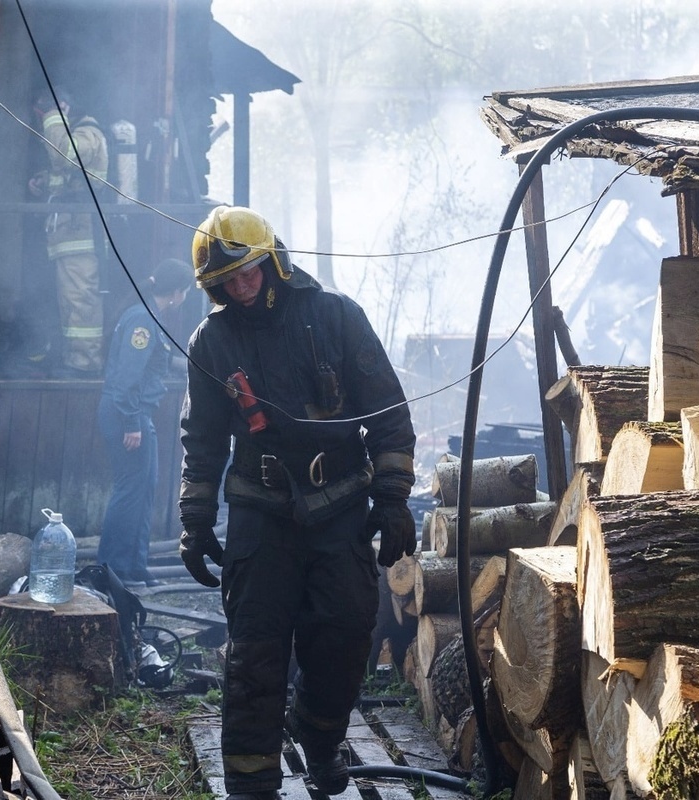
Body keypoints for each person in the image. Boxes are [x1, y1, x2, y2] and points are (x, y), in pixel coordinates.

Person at [177, 207, 418, 799]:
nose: (242, 284)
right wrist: (195, 521)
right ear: (215, 286)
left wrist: (392, 499)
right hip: (261, 513)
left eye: (251, 270)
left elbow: (389, 412)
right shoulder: (212, 340)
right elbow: (202, 441)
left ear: (273, 258)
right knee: (256, 653)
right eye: (228, 280)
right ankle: (250, 786)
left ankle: (317, 736)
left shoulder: (336, 317)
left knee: (344, 634)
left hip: (342, 508)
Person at [96, 259, 192, 587]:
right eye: (185, 292)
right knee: (128, 490)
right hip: (127, 414)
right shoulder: (143, 320)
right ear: (177, 292)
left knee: (143, 490)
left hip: (136, 414)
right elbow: (127, 378)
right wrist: (132, 422)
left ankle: (135, 567)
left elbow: (154, 364)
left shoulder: (149, 316)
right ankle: (110, 569)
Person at [29, 88, 110, 378]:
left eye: (46, 115)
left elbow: (64, 156)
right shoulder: (78, 136)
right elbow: (67, 175)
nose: (44, 122)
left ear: (66, 107)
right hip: (66, 235)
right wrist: (42, 182)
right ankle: (71, 358)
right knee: (68, 301)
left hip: (81, 236)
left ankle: (85, 364)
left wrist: (53, 115)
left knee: (80, 300)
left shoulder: (89, 134)